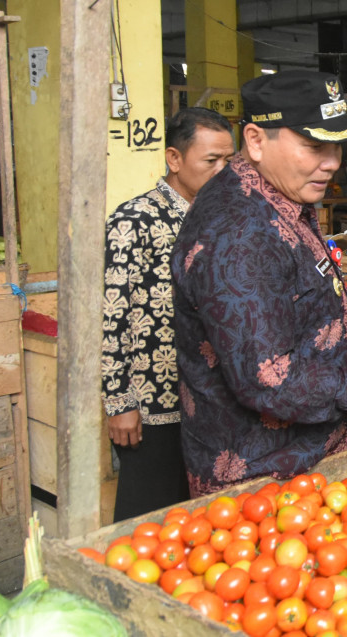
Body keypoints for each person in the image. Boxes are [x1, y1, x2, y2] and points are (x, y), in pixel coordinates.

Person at [171, 70, 347, 496]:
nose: (333, 162)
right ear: (255, 140)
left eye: (336, 145)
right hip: (266, 485)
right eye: (314, 146)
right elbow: (270, 379)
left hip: (318, 462)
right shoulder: (236, 234)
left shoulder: (280, 196)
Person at [102, 107, 235, 520]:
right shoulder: (134, 221)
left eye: (230, 160)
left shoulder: (223, 219)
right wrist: (119, 402)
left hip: (212, 399)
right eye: (211, 160)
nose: (223, 171)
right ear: (174, 160)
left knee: (202, 518)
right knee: (148, 515)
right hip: (155, 403)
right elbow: (112, 318)